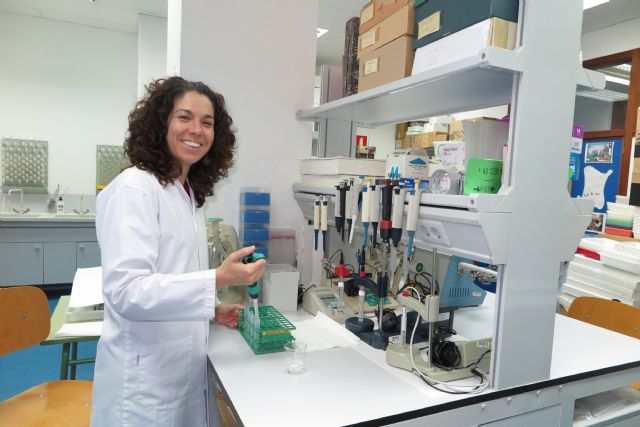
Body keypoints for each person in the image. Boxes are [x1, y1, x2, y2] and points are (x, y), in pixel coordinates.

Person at [90, 76, 265, 427]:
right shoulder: (134, 190)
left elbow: (174, 275)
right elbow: (126, 292)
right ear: (161, 123)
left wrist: (211, 309)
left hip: (182, 369)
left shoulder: (185, 194)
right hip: (144, 382)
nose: (196, 130)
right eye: (184, 117)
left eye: (207, 122)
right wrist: (217, 279)